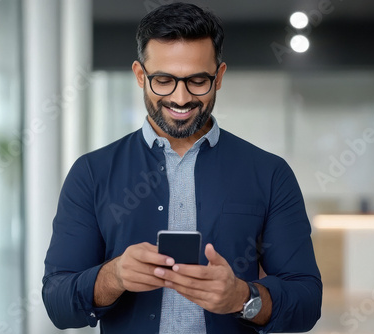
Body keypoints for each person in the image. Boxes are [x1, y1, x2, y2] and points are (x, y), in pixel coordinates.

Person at [42, 2, 322, 333]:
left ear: (218, 77)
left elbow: (306, 302)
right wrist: (113, 276)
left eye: (197, 81)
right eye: (163, 80)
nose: (180, 98)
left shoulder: (270, 174)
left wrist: (243, 298)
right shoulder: (91, 173)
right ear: (139, 75)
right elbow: (58, 304)